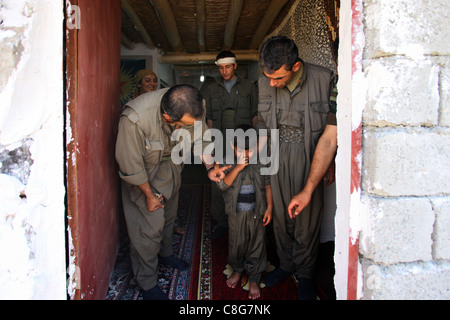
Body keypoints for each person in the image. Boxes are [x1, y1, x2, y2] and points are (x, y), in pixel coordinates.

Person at [115, 84, 228, 300]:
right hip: (143, 177)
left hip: (172, 169)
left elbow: (201, 138)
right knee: (147, 231)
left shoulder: (192, 105)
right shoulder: (134, 120)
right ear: (168, 117)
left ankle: (165, 254)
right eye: (184, 125)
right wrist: (149, 196)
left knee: (168, 219)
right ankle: (147, 283)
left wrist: (210, 168)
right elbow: (131, 167)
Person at [256, 36, 337, 300]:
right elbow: (264, 129)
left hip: (310, 156)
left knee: (307, 219)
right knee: (280, 216)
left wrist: (330, 160)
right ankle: (286, 264)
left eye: (277, 77)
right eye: (267, 76)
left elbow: (332, 131)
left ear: (296, 66)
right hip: (277, 154)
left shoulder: (325, 80)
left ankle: (305, 272)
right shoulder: (265, 82)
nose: (271, 83)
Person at [203, 50, 258, 239]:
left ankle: (246, 218)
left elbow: (255, 116)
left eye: (228, 67)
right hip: (220, 143)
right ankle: (221, 222)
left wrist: (255, 143)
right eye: (220, 68)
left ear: (235, 66)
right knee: (219, 182)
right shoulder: (212, 89)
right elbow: (209, 118)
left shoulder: (250, 87)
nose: (224, 71)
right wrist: (211, 144)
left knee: (243, 179)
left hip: (242, 143)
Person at [216, 124, 273, 300]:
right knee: (236, 244)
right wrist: (238, 167)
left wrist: (270, 207)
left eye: (250, 151)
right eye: (242, 150)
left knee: (257, 244)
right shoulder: (226, 161)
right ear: (233, 147)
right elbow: (223, 185)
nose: (246, 155)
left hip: (257, 213)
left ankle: (254, 277)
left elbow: (268, 184)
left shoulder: (262, 160)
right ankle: (238, 269)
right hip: (236, 214)